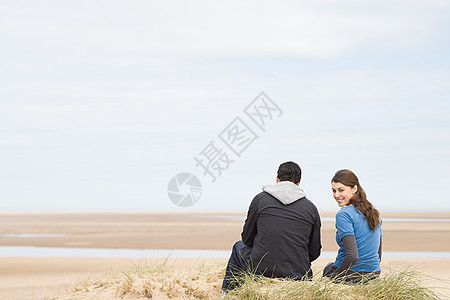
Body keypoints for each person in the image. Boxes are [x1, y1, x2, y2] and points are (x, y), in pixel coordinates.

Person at [222, 161, 322, 291]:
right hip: (298, 274)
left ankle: (228, 293)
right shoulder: (311, 208)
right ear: (299, 183)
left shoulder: (260, 199)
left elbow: (247, 239)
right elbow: (314, 251)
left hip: (261, 270)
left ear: (277, 178)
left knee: (238, 246)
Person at [323, 169, 382, 283]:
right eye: (334, 191)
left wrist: (332, 279)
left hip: (352, 274)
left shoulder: (344, 214)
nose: (336, 195)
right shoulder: (374, 213)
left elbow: (352, 256)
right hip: (374, 273)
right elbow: (378, 254)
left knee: (328, 269)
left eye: (341, 190)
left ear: (354, 188)